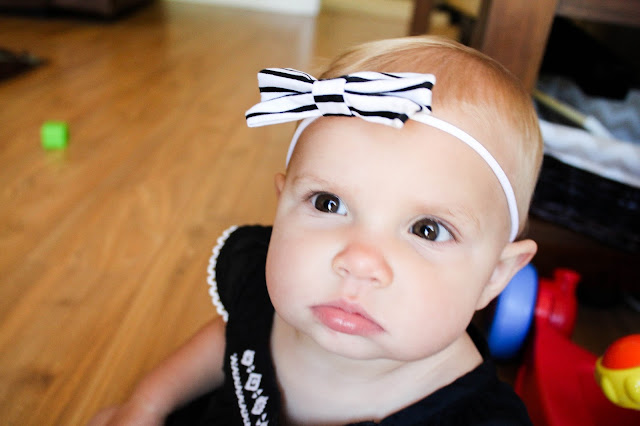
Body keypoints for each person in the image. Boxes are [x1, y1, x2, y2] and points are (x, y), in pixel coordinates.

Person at [90, 35, 543, 425]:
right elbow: (229, 343)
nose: (358, 261)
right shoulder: (266, 295)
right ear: (282, 204)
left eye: (427, 230)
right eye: (329, 203)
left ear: (495, 275)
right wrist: (147, 403)